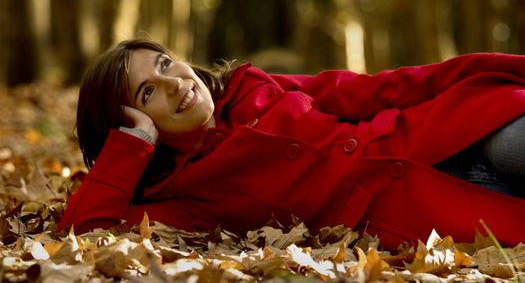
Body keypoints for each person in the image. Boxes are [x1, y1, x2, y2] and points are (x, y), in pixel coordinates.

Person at [58, 38, 525, 250]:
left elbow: (383, 87)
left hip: (449, 130)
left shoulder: (252, 85)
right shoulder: (183, 195)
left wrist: (509, 65)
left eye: (164, 64)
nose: (173, 83)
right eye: (147, 94)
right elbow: (84, 232)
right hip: (434, 211)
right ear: (135, 125)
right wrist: (132, 144)